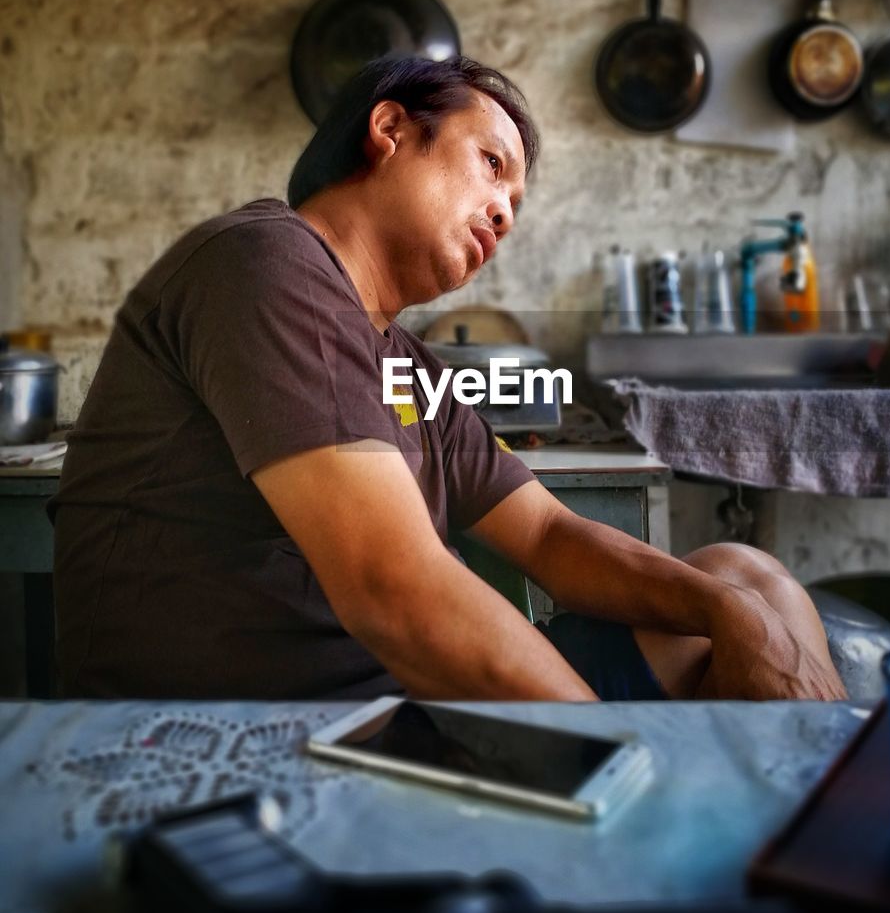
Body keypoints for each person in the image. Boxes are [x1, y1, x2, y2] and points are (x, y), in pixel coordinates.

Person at [51, 55, 845, 703]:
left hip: (396, 700)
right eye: (491, 164)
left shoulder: (406, 365)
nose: (503, 210)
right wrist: (617, 765)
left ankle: (823, 843)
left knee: (747, 583)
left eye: (516, 201)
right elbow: (392, 590)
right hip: (275, 724)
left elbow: (545, 534)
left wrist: (726, 611)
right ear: (391, 130)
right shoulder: (266, 264)